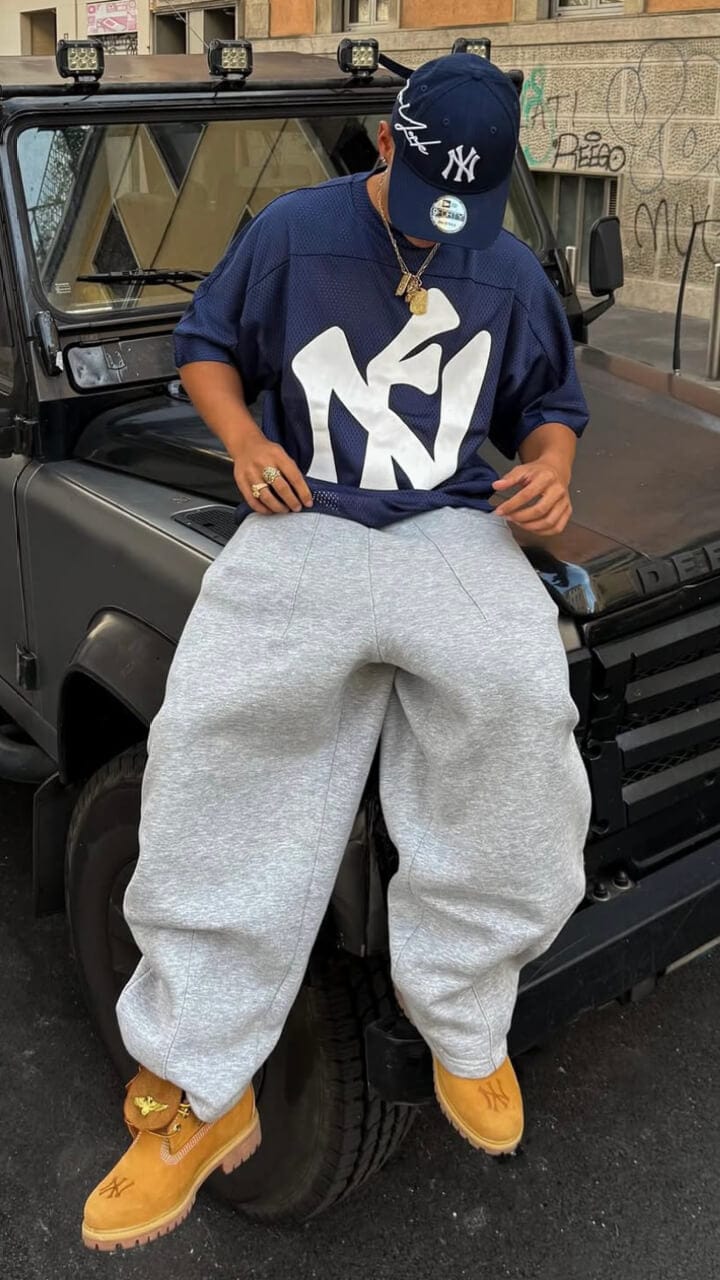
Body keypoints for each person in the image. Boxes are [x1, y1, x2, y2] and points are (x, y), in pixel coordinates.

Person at [82, 53, 592, 1252]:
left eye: (472, 205)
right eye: (428, 200)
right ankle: (200, 1087)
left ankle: (469, 1016)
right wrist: (243, 435)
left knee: (523, 718)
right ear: (384, 149)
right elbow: (203, 345)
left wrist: (554, 472)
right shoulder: (292, 233)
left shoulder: (510, 265)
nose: (446, 231)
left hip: (456, 526)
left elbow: (552, 404)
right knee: (215, 736)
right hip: (306, 518)